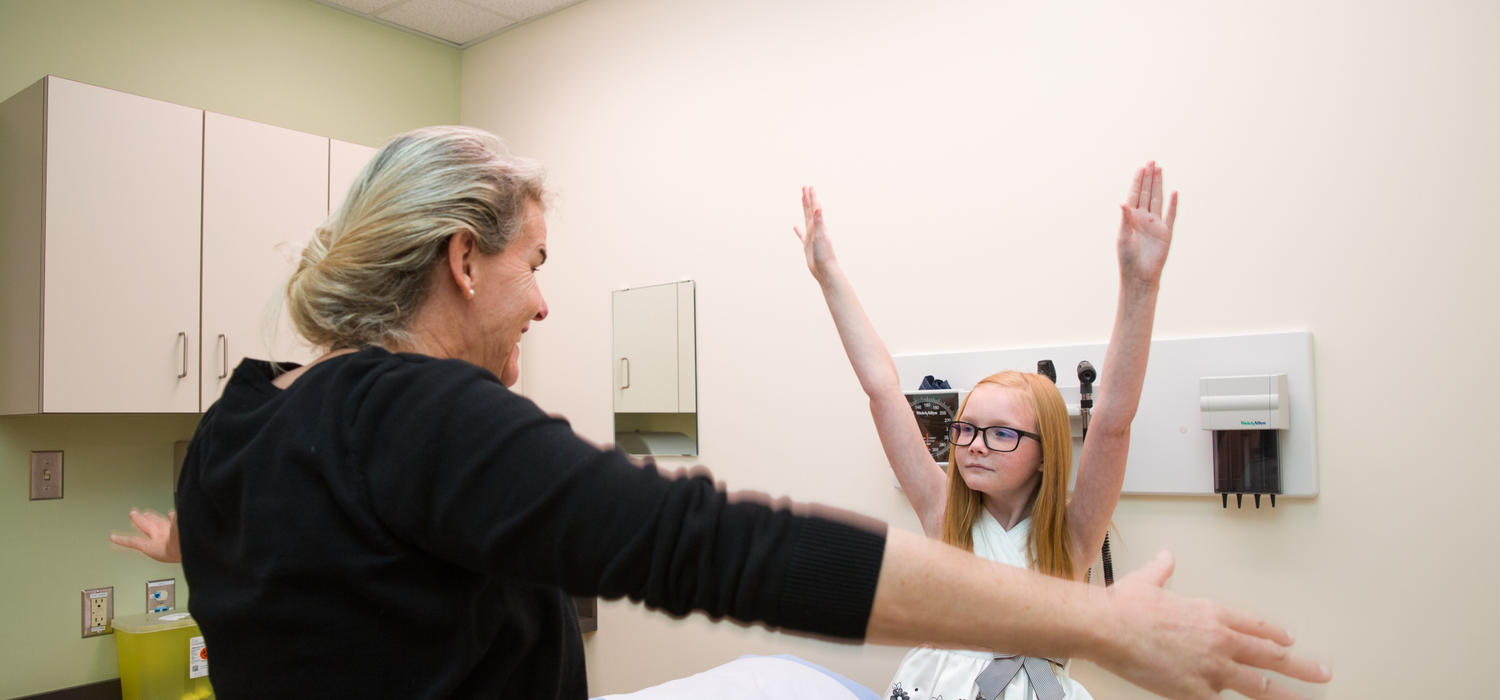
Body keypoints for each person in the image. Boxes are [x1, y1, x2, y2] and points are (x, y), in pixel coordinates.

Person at [112, 127, 1330, 700]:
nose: (545, 304)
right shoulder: (424, 412)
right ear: (464, 259)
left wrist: (191, 540)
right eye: (537, 262)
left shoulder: (243, 416)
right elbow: (714, 546)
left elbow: (277, 563)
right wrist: (1105, 628)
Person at [790, 164, 1174, 700]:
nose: (973, 443)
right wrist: (829, 276)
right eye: (967, 428)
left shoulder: (1070, 539)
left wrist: (1141, 285)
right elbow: (881, 389)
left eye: (1001, 434)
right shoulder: (946, 518)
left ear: (1045, 455)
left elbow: (1111, 423)